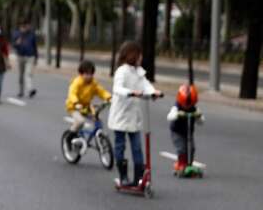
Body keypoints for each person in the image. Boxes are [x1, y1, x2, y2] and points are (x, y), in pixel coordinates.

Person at [108, 41, 162, 186]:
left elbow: (146, 85)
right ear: (132, 55)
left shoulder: (139, 72)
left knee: (137, 147)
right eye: (139, 54)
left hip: (134, 117)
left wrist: (154, 92)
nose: (141, 57)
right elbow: (117, 88)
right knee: (120, 145)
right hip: (121, 115)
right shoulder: (122, 71)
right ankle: (123, 175)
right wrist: (131, 92)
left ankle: (138, 178)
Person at [65, 60, 111, 133]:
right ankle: (70, 135)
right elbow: (72, 93)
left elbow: (101, 91)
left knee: (98, 121)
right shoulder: (77, 82)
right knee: (80, 121)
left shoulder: (93, 83)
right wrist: (76, 103)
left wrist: (109, 97)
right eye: (86, 74)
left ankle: (98, 137)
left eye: (91, 74)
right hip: (74, 107)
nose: (89, 76)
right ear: (81, 74)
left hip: (86, 107)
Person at [167, 84, 204, 172]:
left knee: (191, 148)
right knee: (181, 148)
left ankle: (189, 164)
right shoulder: (177, 106)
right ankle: (181, 164)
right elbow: (170, 116)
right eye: (186, 105)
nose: (187, 107)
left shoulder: (194, 108)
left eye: (190, 105)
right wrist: (177, 114)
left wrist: (198, 116)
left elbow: (201, 121)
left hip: (189, 132)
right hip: (177, 132)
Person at [12, 20, 38, 98]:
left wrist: (36, 57)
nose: (26, 28)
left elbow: (35, 46)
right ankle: (21, 91)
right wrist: (17, 43)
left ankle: (30, 90)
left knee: (28, 74)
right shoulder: (16, 34)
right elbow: (13, 45)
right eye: (24, 26)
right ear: (21, 27)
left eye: (27, 26)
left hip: (30, 56)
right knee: (21, 75)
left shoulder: (32, 34)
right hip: (20, 57)